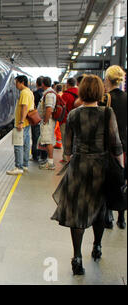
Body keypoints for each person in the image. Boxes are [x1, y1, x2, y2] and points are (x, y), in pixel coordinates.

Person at [52, 75, 124, 276]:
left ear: (82, 92)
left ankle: (76, 257)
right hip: (101, 167)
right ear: (100, 91)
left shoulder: (74, 114)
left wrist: (74, 157)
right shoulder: (107, 113)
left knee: (78, 212)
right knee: (100, 209)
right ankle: (97, 246)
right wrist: (121, 169)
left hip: (78, 167)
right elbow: (116, 144)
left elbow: (67, 150)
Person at [103, 65, 127, 230]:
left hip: (107, 146)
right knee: (122, 180)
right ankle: (122, 218)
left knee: (106, 180)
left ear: (107, 80)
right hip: (124, 146)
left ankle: (108, 215)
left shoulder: (104, 99)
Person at [7, 75, 34, 175]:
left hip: (22, 123)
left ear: (21, 82)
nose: (15, 85)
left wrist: (21, 122)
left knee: (18, 145)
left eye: (16, 82)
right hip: (26, 123)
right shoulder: (29, 92)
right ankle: (25, 165)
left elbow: (24, 107)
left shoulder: (24, 93)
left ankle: (18, 167)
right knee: (26, 144)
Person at [38, 77, 57, 170]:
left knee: (48, 141)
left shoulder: (49, 94)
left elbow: (49, 109)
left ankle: (50, 163)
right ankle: (49, 161)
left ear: (43, 84)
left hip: (48, 121)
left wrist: (45, 121)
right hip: (48, 121)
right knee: (47, 141)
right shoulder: (49, 92)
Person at [59, 78, 79, 162]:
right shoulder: (80, 92)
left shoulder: (65, 94)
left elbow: (61, 108)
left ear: (67, 84)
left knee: (65, 139)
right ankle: (74, 156)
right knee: (75, 138)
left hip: (66, 120)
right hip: (77, 120)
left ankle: (65, 157)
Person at [31, 77, 47, 163]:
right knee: (44, 138)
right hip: (44, 119)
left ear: (37, 84)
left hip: (36, 119)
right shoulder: (46, 94)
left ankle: (35, 156)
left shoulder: (34, 94)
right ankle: (43, 155)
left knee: (35, 138)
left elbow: (32, 106)